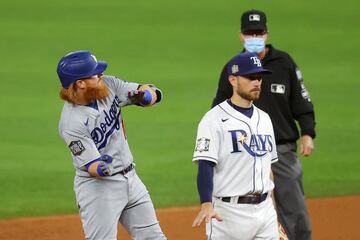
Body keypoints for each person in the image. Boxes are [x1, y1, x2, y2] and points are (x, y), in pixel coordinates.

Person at [211, 9, 315, 240]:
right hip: (245, 152)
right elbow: (218, 109)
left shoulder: (284, 63)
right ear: (241, 36)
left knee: (295, 211)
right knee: (246, 210)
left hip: (282, 148)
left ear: (266, 34)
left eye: (258, 32)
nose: (254, 37)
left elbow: (302, 98)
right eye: (250, 33)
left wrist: (307, 132)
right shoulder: (234, 68)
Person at [57, 50, 167, 240]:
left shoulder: (107, 85)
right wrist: (102, 167)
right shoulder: (71, 122)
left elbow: (147, 90)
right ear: (80, 83)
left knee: (154, 237)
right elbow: (92, 167)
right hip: (98, 190)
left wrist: (147, 96)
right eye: (95, 73)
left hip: (131, 179)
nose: (101, 74)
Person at [192, 52, 279, 239]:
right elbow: (205, 165)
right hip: (229, 215)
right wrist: (206, 203)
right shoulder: (213, 119)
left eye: (259, 77)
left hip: (265, 212)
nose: (257, 82)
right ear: (233, 79)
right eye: (250, 77)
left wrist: (272, 210)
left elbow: (268, 169)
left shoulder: (265, 119)